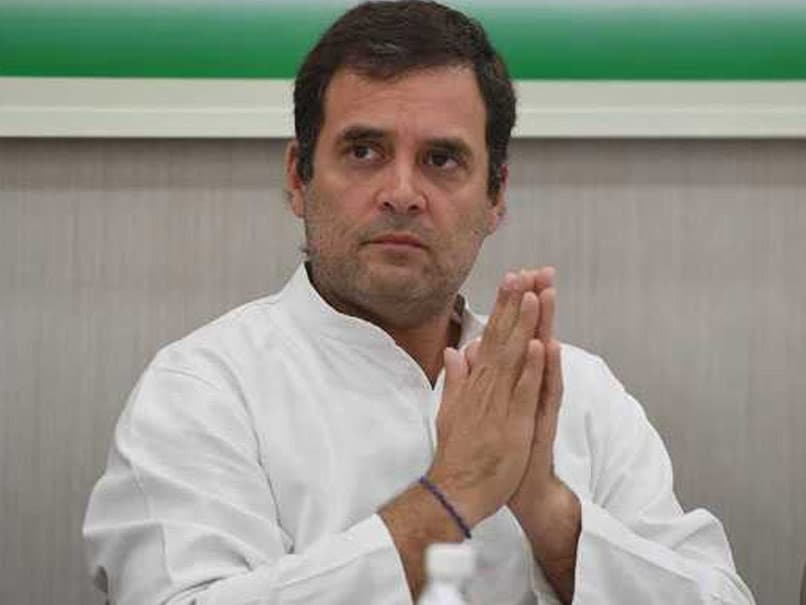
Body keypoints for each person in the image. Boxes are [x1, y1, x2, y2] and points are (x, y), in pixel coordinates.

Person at [82, 2, 756, 604]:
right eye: (364, 150)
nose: (402, 193)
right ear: (298, 177)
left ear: (495, 197)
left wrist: (551, 514)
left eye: (441, 160)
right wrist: (448, 497)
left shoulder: (575, 391)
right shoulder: (203, 390)